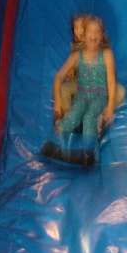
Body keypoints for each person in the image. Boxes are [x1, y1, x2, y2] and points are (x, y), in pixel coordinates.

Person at [42, 15, 117, 166]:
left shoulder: (106, 54)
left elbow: (111, 81)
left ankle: (89, 152)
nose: (93, 35)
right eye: (90, 31)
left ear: (102, 35)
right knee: (73, 115)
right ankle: (55, 143)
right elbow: (59, 76)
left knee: (89, 117)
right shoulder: (77, 55)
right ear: (84, 35)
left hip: (99, 95)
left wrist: (110, 107)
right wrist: (57, 104)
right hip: (82, 95)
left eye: (97, 32)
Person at [59, 14, 126, 116]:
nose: (79, 31)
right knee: (63, 89)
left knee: (121, 92)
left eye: (82, 28)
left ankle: (99, 112)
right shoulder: (75, 49)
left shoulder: (102, 49)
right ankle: (69, 114)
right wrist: (71, 71)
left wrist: (110, 106)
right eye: (76, 28)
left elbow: (110, 78)